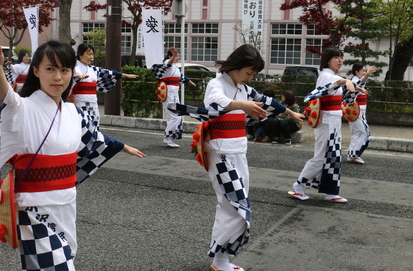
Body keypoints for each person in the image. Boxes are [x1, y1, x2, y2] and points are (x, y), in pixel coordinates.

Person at [0, 42, 145, 271]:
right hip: (31, 207)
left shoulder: (73, 112)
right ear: (35, 71)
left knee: (64, 257)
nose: (58, 77)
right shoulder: (21, 108)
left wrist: (122, 145)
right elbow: (6, 95)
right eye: (50, 69)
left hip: (65, 201)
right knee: (57, 266)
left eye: (64, 70)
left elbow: (95, 137)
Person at [170, 44, 304, 271]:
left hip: (238, 151)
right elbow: (214, 105)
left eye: (252, 75)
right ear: (237, 65)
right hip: (220, 152)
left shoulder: (244, 89)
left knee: (232, 204)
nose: (249, 78)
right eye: (248, 73)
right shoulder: (216, 84)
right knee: (235, 204)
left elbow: (268, 102)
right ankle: (220, 259)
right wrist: (242, 105)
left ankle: (220, 258)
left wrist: (290, 112)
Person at [288, 47, 355, 203]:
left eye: (341, 57)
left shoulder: (331, 76)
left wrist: (352, 85)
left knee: (333, 156)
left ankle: (331, 192)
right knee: (322, 156)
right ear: (327, 60)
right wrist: (345, 81)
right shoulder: (325, 75)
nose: (340, 60)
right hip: (326, 120)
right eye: (336, 57)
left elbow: (338, 88)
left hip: (333, 120)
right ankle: (298, 185)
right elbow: (330, 86)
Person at [72, 43, 139, 127]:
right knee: (83, 124)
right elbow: (72, 76)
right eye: (89, 54)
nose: (91, 57)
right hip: (79, 101)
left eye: (92, 54)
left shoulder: (93, 69)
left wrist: (125, 75)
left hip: (92, 101)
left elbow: (109, 73)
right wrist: (78, 76)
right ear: (80, 54)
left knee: (94, 123)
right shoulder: (74, 67)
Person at [151, 47, 196, 148]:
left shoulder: (175, 67)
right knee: (175, 115)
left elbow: (181, 77)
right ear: (170, 56)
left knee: (175, 115)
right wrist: (173, 56)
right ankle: (167, 138)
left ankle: (170, 138)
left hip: (174, 92)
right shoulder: (167, 62)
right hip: (168, 91)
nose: (178, 58)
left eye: (179, 56)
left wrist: (190, 82)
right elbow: (168, 64)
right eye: (176, 56)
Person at [346, 64, 377, 164]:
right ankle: (355, 155)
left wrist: (367, 74)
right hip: (357, 111)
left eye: (365, 71)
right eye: (363, 71)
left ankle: (352, 155)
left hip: (357, 111)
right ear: (356, 71)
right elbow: (360, 82)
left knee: (356, 134)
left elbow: (363, 81)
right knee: (364, 133)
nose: (364, 73)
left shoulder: (356, 80)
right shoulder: (354, 81)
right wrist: (367, 74)